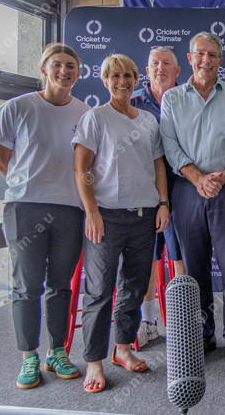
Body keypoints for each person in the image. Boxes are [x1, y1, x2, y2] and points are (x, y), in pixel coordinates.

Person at [0, 43, 88, 389]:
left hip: (70, 210)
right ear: (44, 70)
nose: (64, 71)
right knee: (27, 286)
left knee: (61, 286)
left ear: (78, 73)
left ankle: (56, 351)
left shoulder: (85, 113)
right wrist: (29, 186)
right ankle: (28, 356)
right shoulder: (17, 108)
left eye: (70, 66)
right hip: (25, 207)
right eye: (57, 65)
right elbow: (1, 159)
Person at [73, 54, 169, 392]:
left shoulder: (148, 120)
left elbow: (158, 164)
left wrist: (163, 203)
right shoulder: (95, 118)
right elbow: (81, 169)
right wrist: (92, 212)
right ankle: (94, 362)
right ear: (105, 80)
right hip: (106, 217)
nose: (123, 81)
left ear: (136, 79)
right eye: (115, 76)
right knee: (99, 290)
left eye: (128, 75)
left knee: (134, 285)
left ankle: (123, 347)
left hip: (144, 215)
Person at [159, 32, 225, 367]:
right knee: (195, 268)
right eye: (200, 53)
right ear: (189, 58)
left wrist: (223, 176)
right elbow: (170, 147)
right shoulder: (172, 99)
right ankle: (203, 334)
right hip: (187, 191)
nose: (206, 60)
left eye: (213, 55)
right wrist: (198, 179)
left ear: (221, 61)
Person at [130, 45, 186, 348]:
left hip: (185, 192)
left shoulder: (189, 101)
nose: (160, 68)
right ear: (147, 70)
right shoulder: (133, 105)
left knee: (181, 258)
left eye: (166, 63)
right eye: (155, 63)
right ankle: (148, 323)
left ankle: (181, 323)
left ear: (177, 71)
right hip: (146, 196)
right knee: (148, 259)